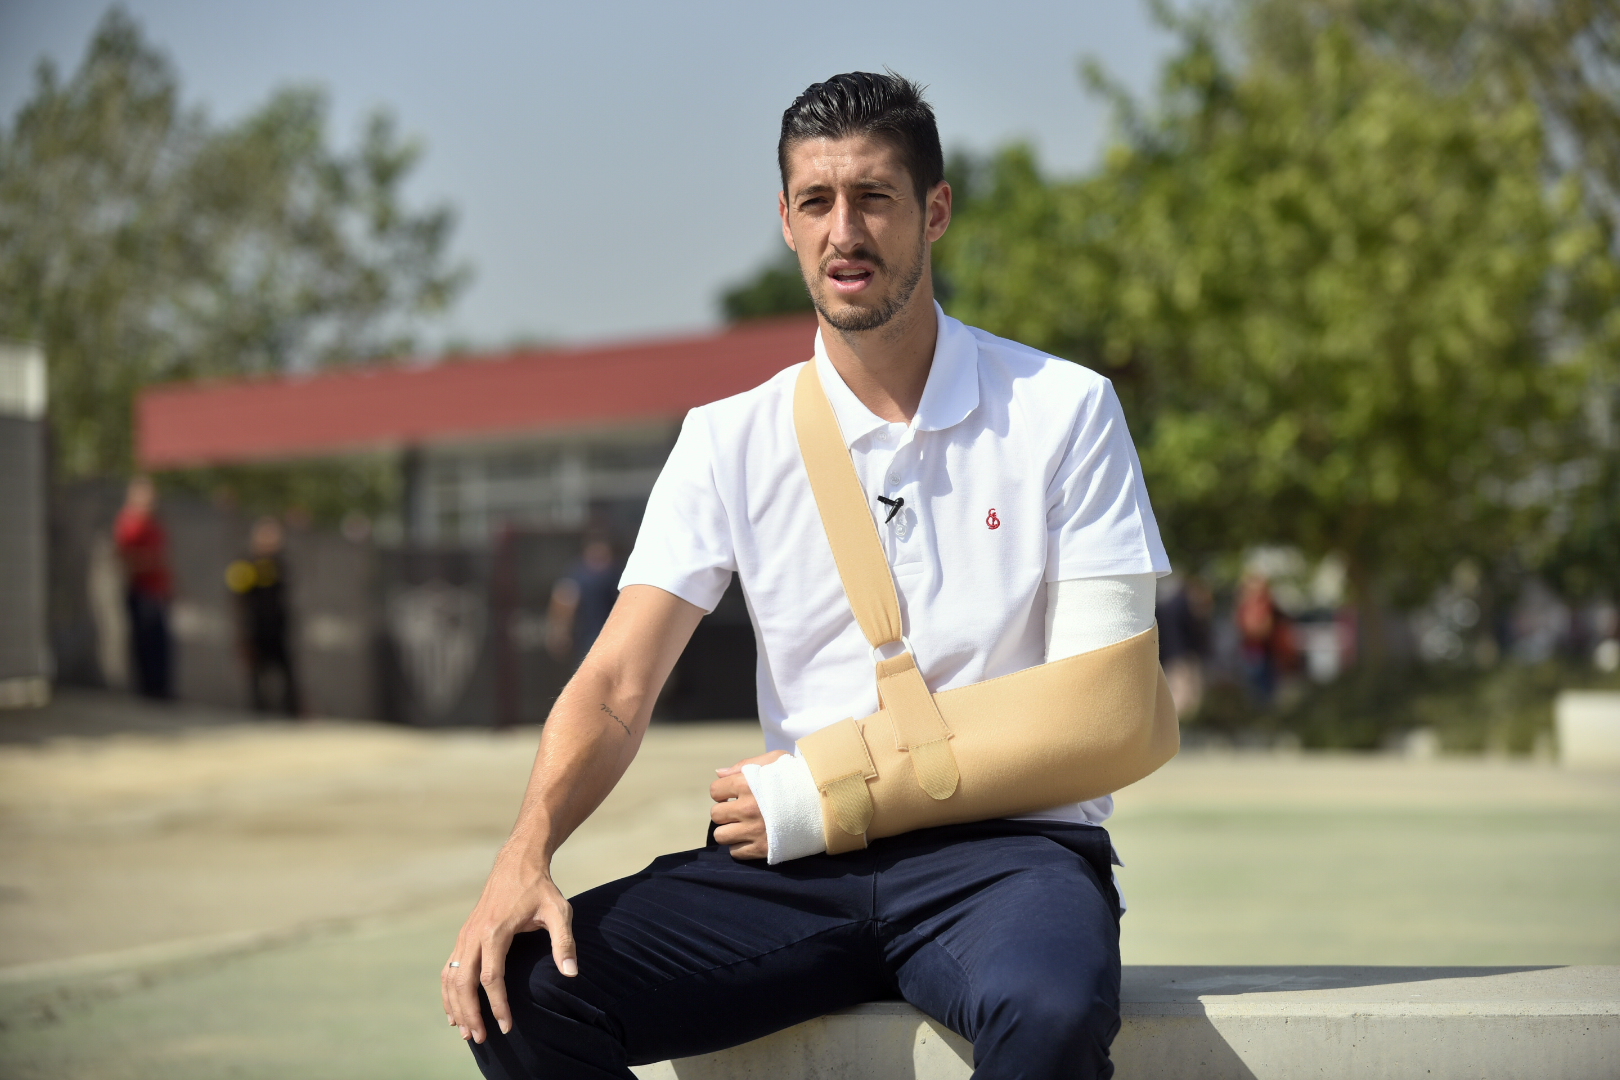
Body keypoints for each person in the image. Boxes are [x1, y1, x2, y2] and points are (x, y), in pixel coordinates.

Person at [443, 73, 1169, 1080]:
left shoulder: (1063, 410)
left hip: (1008, 861)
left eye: (874, 197)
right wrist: (523, 858)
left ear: (935, 211)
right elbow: (617, 685)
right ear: (785, 221)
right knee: (518, 997)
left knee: (1047, 1014)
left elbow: (1112, 715)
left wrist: (825, 790)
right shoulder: (726, 439)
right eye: (817, 202)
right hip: (797, 869)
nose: (845, 231)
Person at [226, 517, 300, 717]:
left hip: (277, 629)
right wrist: (243, 634)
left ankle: (290, 715)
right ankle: (258, 715)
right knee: (256, 678)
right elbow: (238, 601)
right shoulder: (245, 564)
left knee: (287, 675)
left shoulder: (281, 564)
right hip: (254, 630)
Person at [113, 475, 173, 699]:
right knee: (146, 645)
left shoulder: (154, 523)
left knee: (161, 646)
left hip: (158, 592)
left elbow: (164, 559)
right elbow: (123, 558)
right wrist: (148, 561)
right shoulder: (129, 523)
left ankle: (161, 690)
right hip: (142, 591)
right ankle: (150, 691)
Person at [544, 531, 621, 668]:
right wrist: (559, 632)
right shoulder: (578, 575)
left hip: (615, 638)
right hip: (588, 639)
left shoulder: (616, 573)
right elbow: (564, 602)